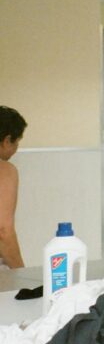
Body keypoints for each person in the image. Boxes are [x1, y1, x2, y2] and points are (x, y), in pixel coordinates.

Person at [0, 106, 27, 269]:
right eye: (17, 142)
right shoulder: (5, 170)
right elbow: (3, 231)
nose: (17, 148)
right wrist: (22, 276)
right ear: (7, 140)